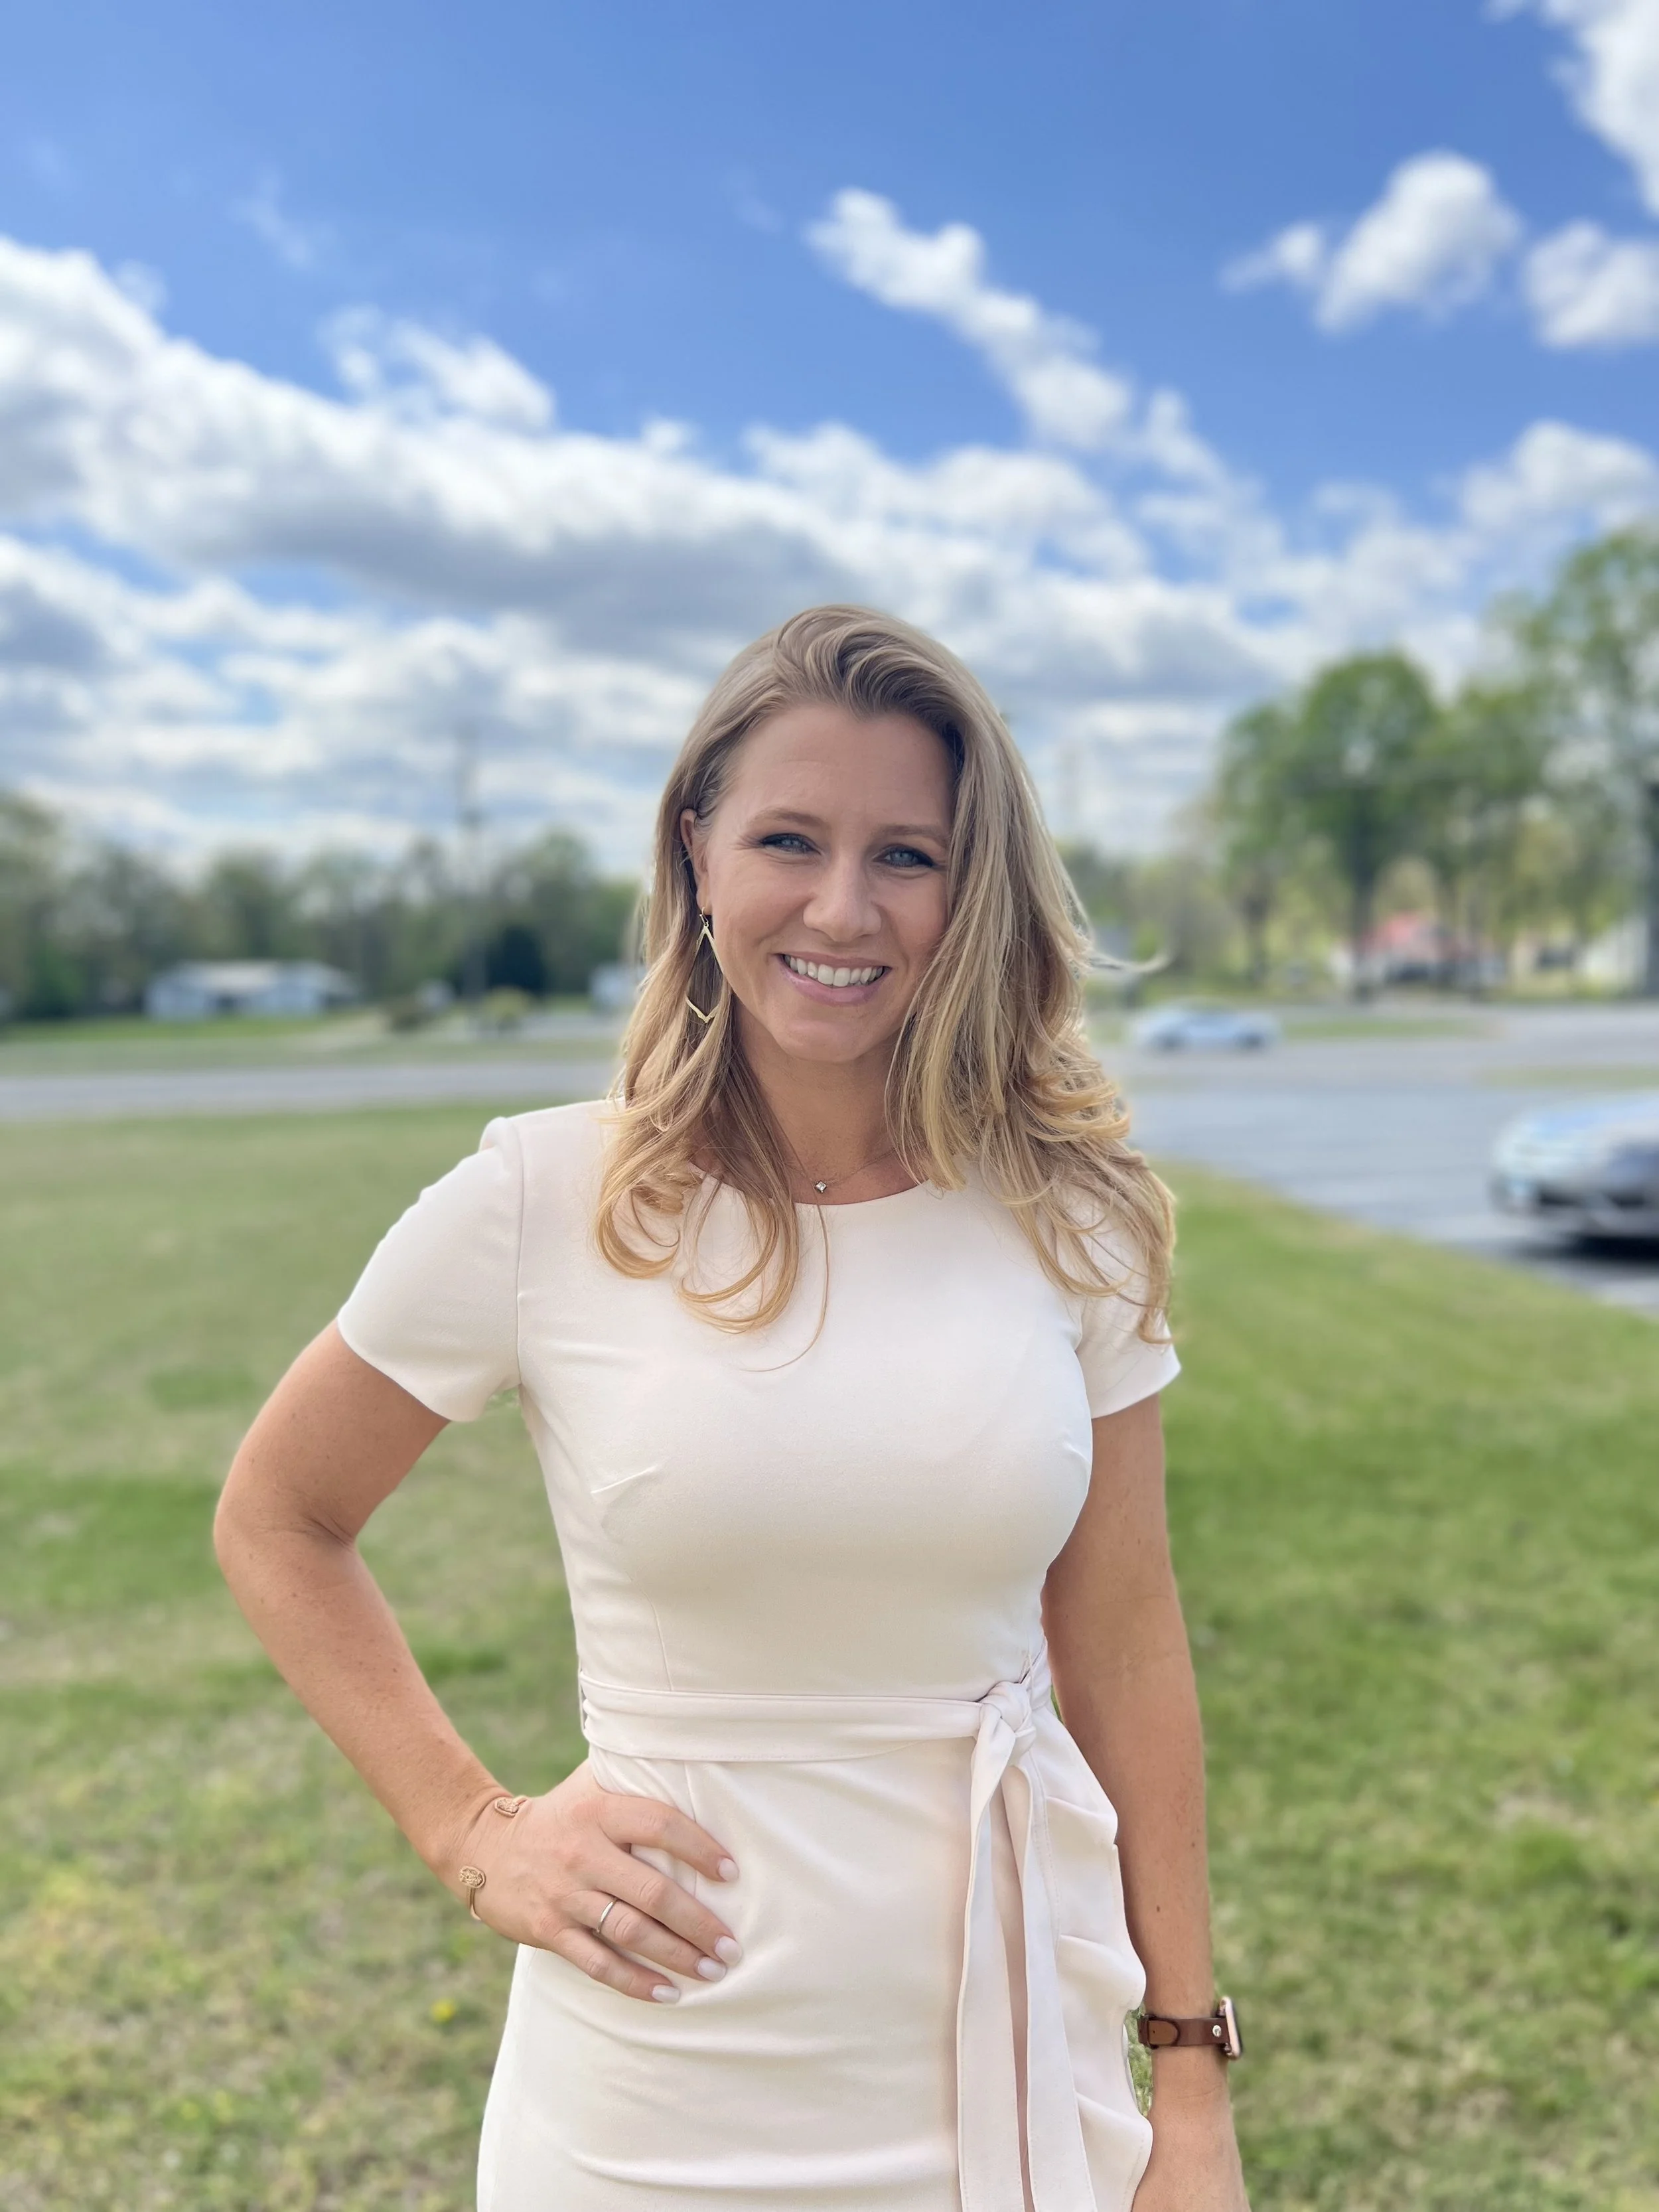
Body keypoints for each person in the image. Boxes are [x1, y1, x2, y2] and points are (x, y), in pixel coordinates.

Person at [216, 605, 1250, 2212]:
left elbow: (1122, 1636)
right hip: (655, 2082)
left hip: (1008, 2045)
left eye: (906, 854)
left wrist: (1186, 2082)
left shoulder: (1076, 1217)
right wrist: (474, 1830)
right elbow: (279, 1516)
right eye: (788, 838)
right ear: (697, 854)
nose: (843, 907)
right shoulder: (539, 1197)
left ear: (970, 887)